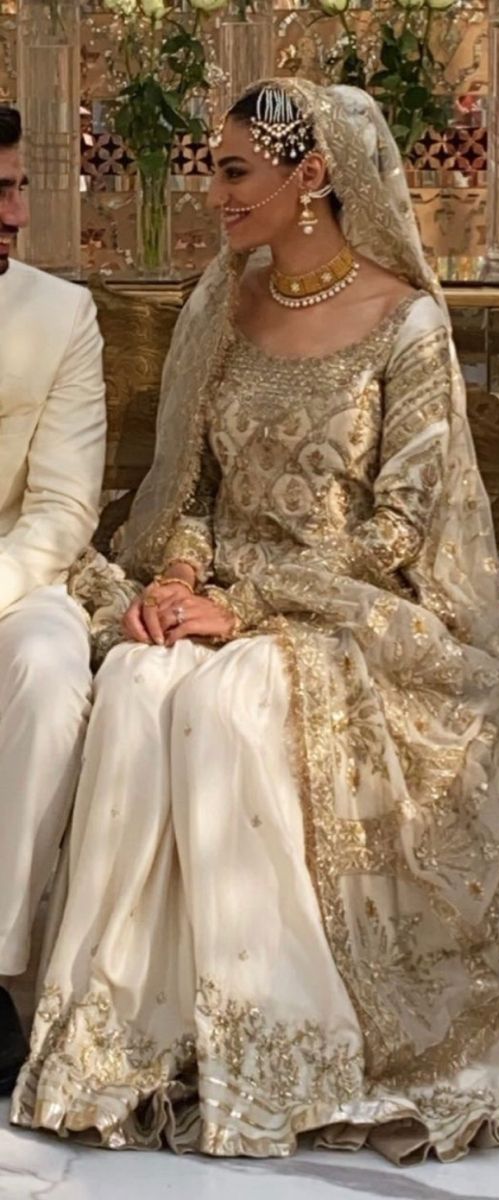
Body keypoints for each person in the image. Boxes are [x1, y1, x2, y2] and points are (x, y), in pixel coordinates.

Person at [12, 81, 499, 1162]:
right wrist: (176, 580)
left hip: (344, 606)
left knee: (235, 701)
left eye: (234, 171)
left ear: (313, 178)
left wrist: (245, 605)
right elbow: (189, 488)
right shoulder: (225, 301)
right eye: (211, 168)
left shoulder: (406, 321)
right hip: (218, 587)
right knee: (134, 686)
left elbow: (403, 525)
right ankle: (130, 1047)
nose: (216, 193)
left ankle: (278, 1043)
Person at [0, 106, 106, 1094]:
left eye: (19, 188)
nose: (17, 215)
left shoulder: (59, 313)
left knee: (45, 664)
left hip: (17, 576)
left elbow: (64, 507)